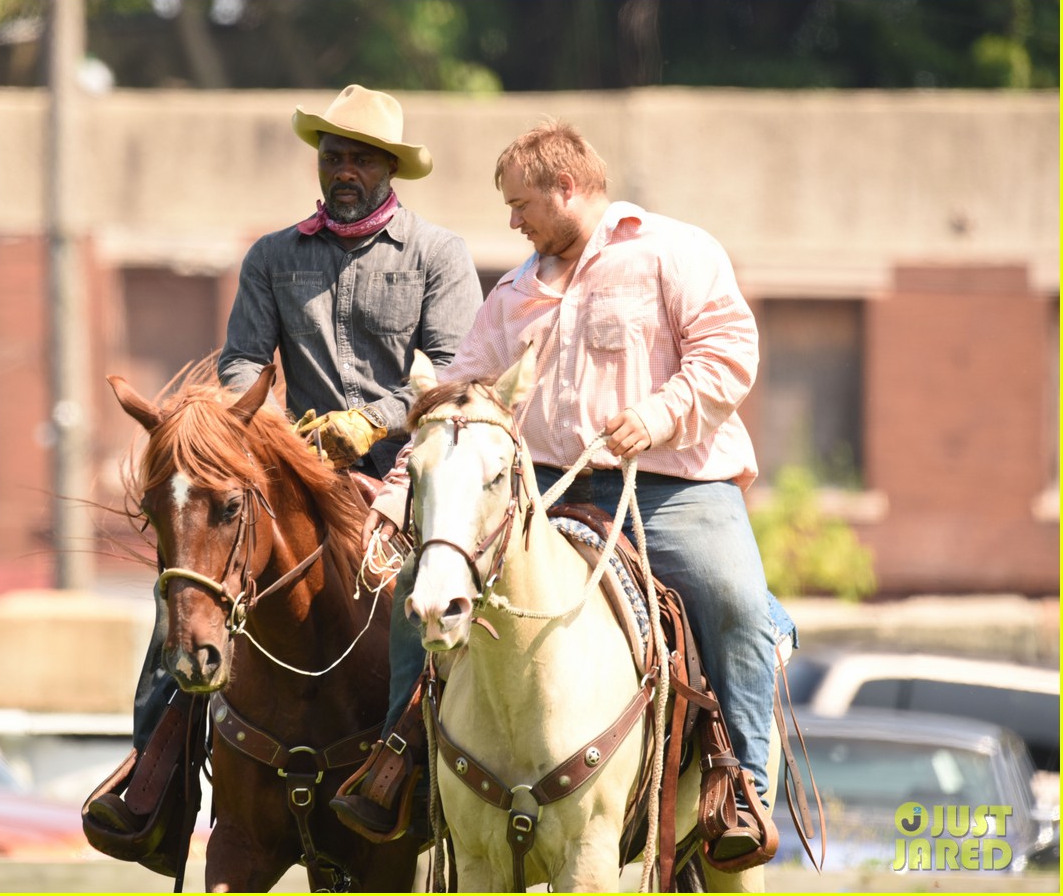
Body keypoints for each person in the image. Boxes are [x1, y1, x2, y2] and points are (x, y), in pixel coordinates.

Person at [331, 120, 796, 863]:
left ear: (566, 188)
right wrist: (397, 494)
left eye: (521, 204)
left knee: (734, 599)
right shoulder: (513, 291)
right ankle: (402, 764)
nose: (512, 221)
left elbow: (730, 353)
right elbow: (457, 403)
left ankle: (737, 784)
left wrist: (658, 414)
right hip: (545, 487)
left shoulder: (675, 251)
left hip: (676, 485)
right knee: (422, 584)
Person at [82, 85, 482, 869]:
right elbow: (241, 359)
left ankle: (451, 778)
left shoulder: (439, 254)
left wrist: (375, 418)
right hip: (296, 469)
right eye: (332, 155)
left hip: (408, 467)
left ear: (389, 169)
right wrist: (260, 425)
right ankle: (153, 778)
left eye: (359, 157)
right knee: (193, 579)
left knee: (444, 592)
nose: (343, 169)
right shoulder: (272, 255)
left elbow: (457, 376)